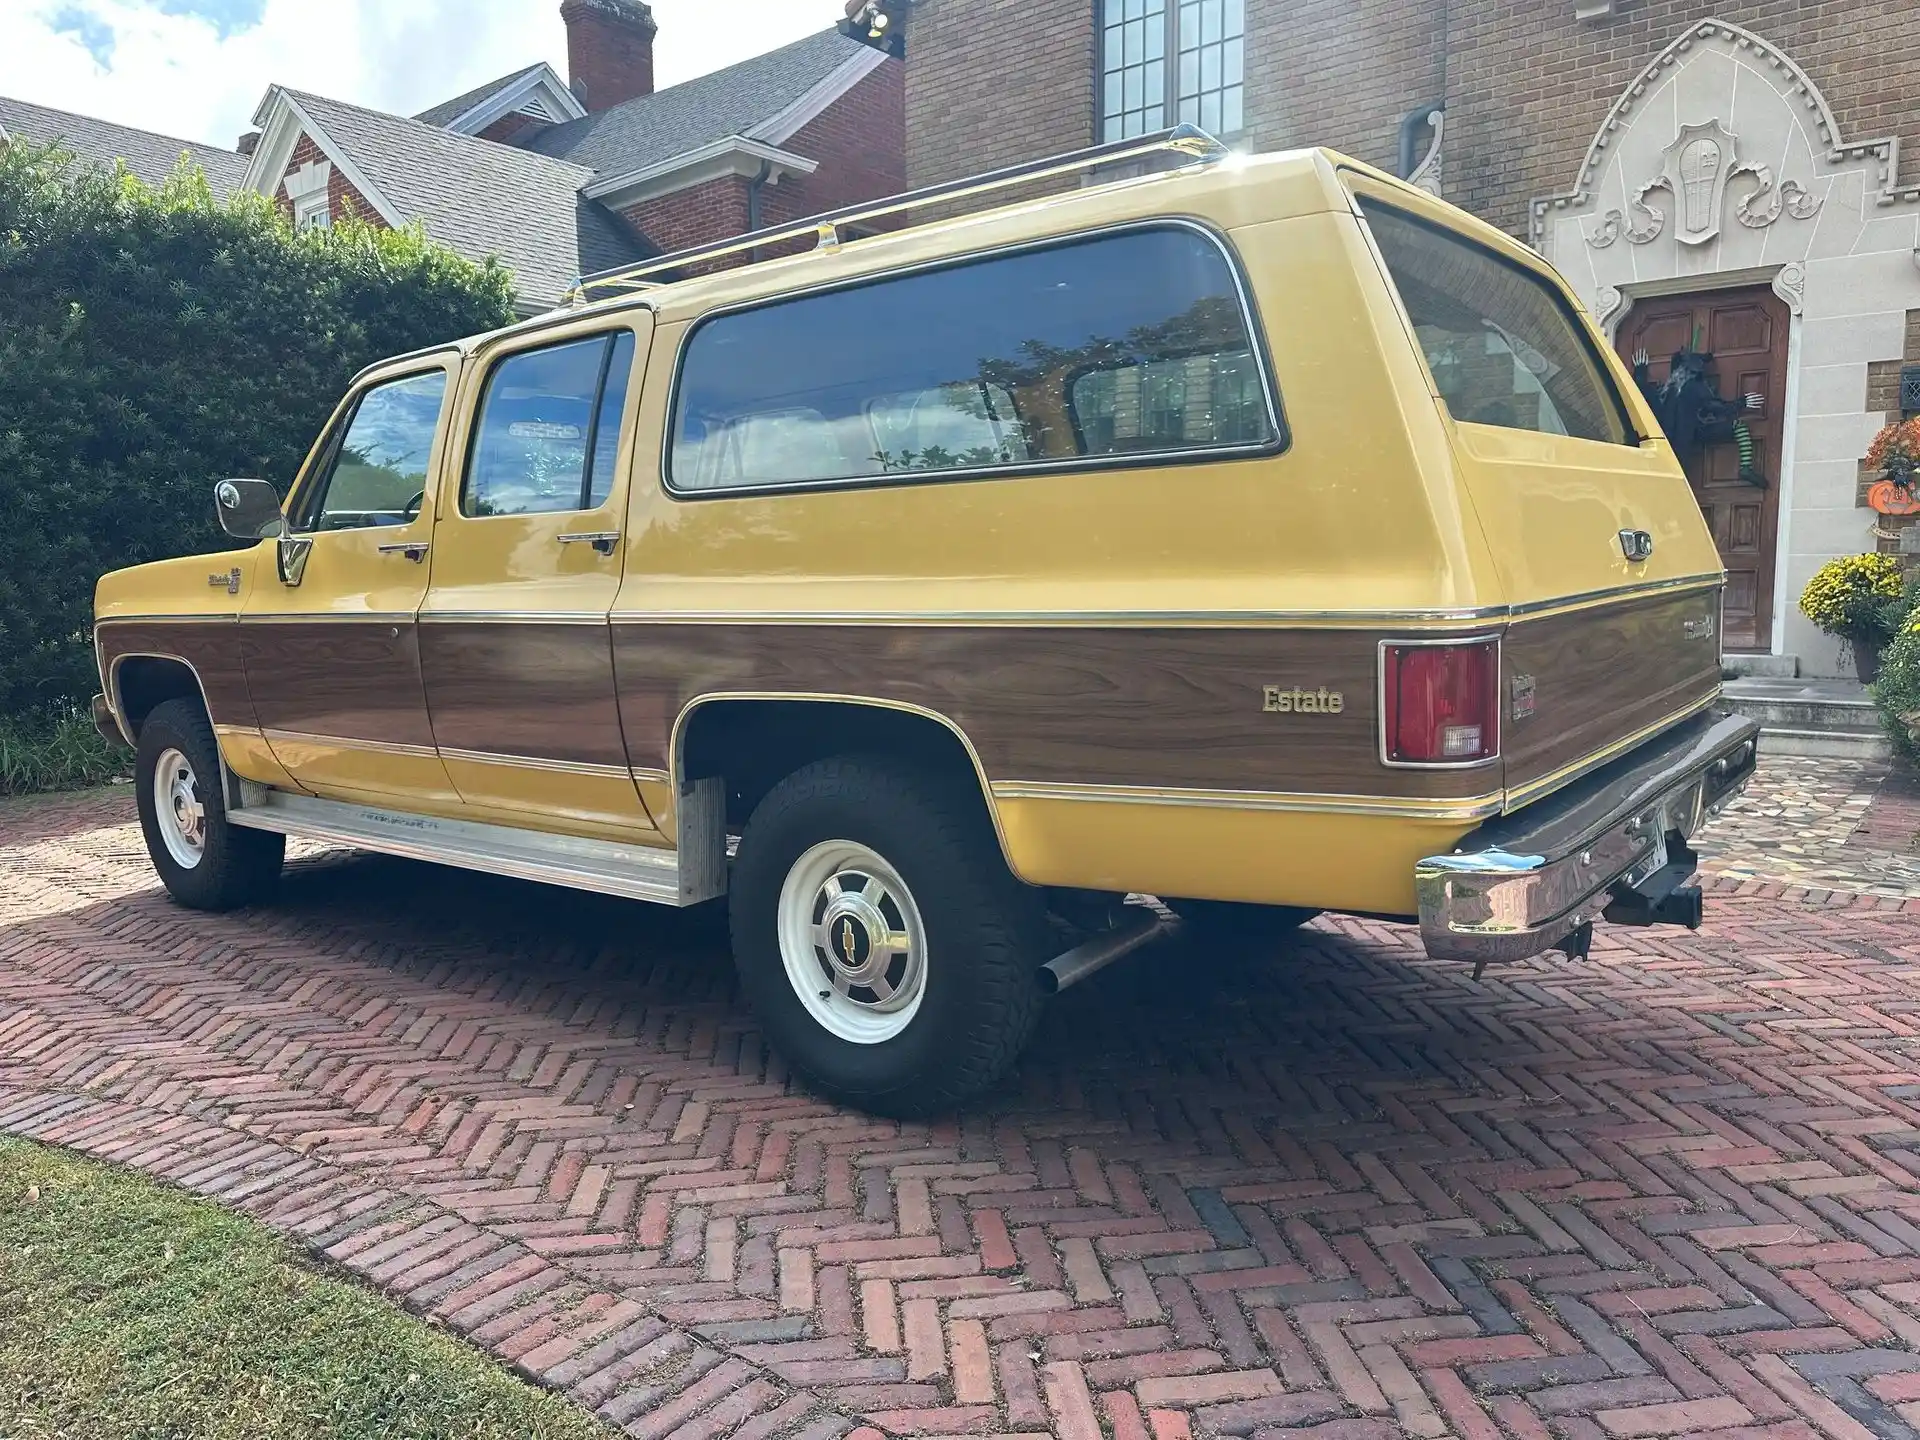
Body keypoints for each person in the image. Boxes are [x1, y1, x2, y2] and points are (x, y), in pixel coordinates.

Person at [1633, 346, 1766, 487]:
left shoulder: (1663, 393)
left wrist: (1640, 371)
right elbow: (1715, 406)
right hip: (1688, 439)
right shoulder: (1695, 388)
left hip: (1663, 444)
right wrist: (1741, 403)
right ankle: (1746, 467)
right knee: (1739, 426)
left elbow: (1642, 392)